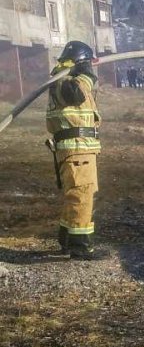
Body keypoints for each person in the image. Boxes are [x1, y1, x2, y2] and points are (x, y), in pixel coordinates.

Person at [46, 41, 105, 260]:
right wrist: (86, 75)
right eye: (88, 64)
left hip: (80, 150)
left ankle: (68, 240)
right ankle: (81, 247)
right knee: (81, 195)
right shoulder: (64, 80)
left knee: (77, 194)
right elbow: (76, 94)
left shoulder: (65, 78)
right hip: (77, 149)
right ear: (81, 62)